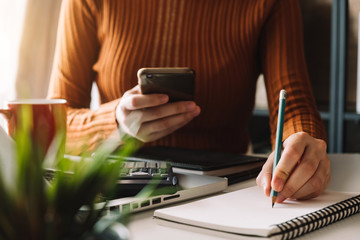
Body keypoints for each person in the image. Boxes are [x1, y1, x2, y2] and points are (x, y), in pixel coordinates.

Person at [48, 0, 330, 203]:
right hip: (117, 194)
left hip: (226, 194)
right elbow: (55, 124)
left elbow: (292, 102)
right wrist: (116, 123)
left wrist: (300, 145)